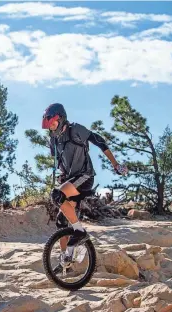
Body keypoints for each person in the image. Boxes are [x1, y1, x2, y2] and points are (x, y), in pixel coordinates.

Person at [42, 103, 127, 273]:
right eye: (49, 126)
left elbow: (99, 141)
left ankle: (79, 231)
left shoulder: (76, 130)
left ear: (61, 119)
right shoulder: (53, 140)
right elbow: (61, 161)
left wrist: (116, 165)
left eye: (53, 124)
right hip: (71, 179)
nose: (51, 128)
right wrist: (62, 175)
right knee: (61, 222)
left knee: (57, 195)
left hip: (85, 177)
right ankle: (67, 262)